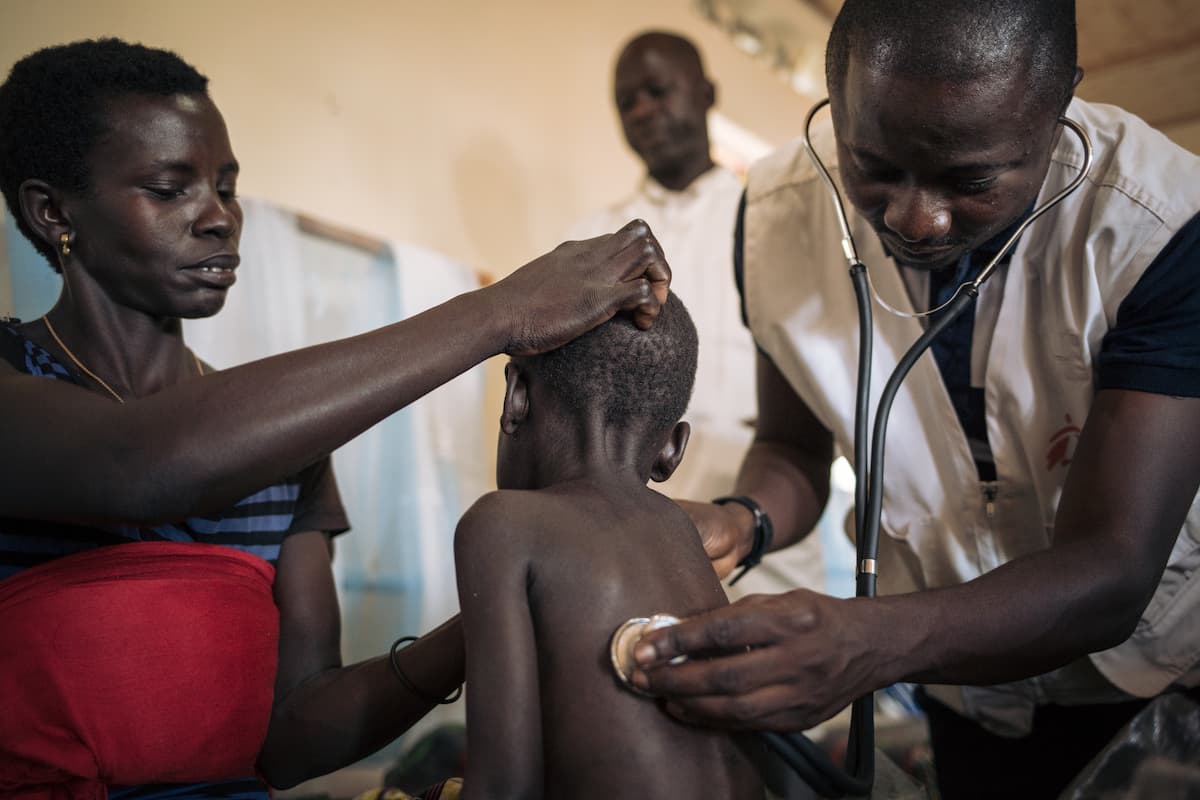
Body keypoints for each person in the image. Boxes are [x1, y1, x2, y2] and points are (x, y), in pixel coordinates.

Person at [0, 38, 670, 798]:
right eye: (169, 188)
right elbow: (138, 467)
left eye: (226, 186)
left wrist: (501, 610)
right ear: (52, 210)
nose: (219, 218)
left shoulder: (282, 445)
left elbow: (292, 736)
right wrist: (501, 311)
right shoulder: (16, 382)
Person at [629, 1, 1200, 798]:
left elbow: (1113, 562)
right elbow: (793, 448)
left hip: (1152, 683)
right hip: (963, 696)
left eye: (970, 180)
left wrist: (875, 640)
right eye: (875, 167)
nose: (914, 219)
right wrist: (741, 521)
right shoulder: (773, 218)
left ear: (1059, 102)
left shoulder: (1161, 226)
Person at [452, 292, 763, 799]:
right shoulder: (681, 528)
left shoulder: (501, 523)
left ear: (515, 398)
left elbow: (503, 789)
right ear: (672, 448)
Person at [565, 30, 826, 595]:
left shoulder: (771, 217)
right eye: (626, 101)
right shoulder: (587, 240)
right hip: (630, 490)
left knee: (775, 660)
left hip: (761, 481)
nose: (642, 111)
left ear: (707, 92)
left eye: (657, 91)